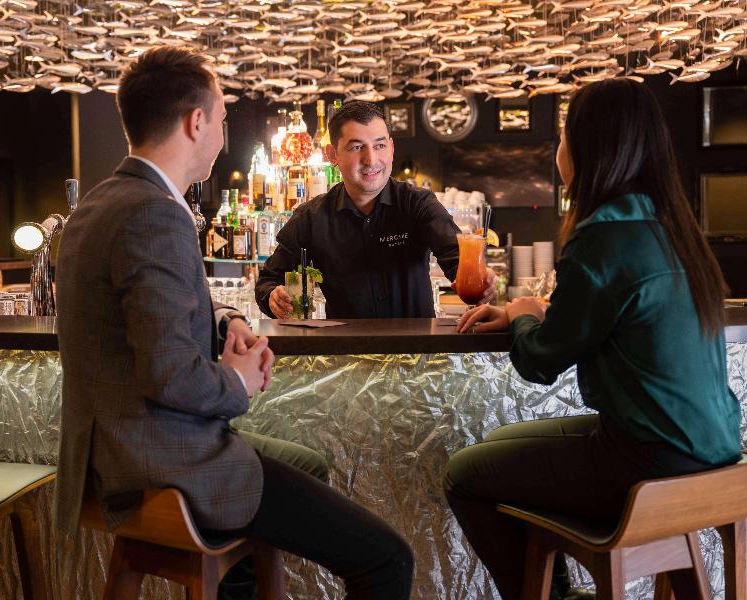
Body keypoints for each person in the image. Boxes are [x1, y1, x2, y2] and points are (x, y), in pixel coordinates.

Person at [55, 46, 413, 600]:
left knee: (304, 465)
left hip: (110, 458)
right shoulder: (155, 212)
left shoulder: (100, 203)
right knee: (388, 559)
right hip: (164, 463)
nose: (222, 136)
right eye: (222, 119)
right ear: (196, 122)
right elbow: (171, 375)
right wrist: (238, 382)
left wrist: (226, 322)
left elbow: (152, 307)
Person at [443, 78, 742, 600]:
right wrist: (530, 312)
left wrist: (523, 314)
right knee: (496, 446)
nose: (558, 148)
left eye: (563, 135)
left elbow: (539, 360)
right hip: (717, 457)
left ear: (589, 148)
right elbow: (612, 314)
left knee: (465, 473)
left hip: (649, 463)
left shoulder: (602, 235)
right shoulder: (671, 227)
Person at [255, 100, 493, 320]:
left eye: (379, 145)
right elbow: (268, 282)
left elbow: (458, 260)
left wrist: (480, 280)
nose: (370, 159)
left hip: (417, 349)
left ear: (391, 148)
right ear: (332, 154)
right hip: (345, 350)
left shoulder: (418, 204)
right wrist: (274, 297)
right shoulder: (311, 218)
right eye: (356, 147)